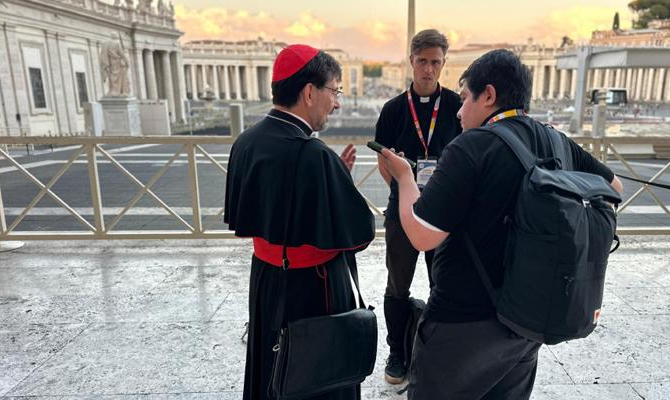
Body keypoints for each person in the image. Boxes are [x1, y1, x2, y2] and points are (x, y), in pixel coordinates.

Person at [379, 49, 623, 399]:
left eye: (465, 99)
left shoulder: (472, 147)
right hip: (527, 318)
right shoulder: (555, 139)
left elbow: (421, 235)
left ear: (489, 95)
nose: (460, 112)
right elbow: (614, 188)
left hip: (464, 322)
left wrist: (404, 179)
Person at [224, 44, 375, 400]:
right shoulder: (315, 154)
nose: (336, 103)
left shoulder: (245, 143)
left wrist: (332, 178)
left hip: (266, 280)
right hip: (315, 288)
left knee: (271, 367)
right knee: (318, 378)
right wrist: (335, 179)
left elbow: (267, 213)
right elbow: (357, 236)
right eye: (334, 91)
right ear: (309, 92)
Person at [373, 28, 462, 384]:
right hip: (402, 214)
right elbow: (383, 162)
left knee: (443, 284)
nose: (428, 69)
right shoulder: (393, 110)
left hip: (443, 214)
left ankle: (437, 349)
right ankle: (397, 351)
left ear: (443, 64)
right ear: (411, 60)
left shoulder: (456, 106)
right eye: (422, 61)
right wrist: (406, 194)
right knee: (398, 285)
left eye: (435, 62)